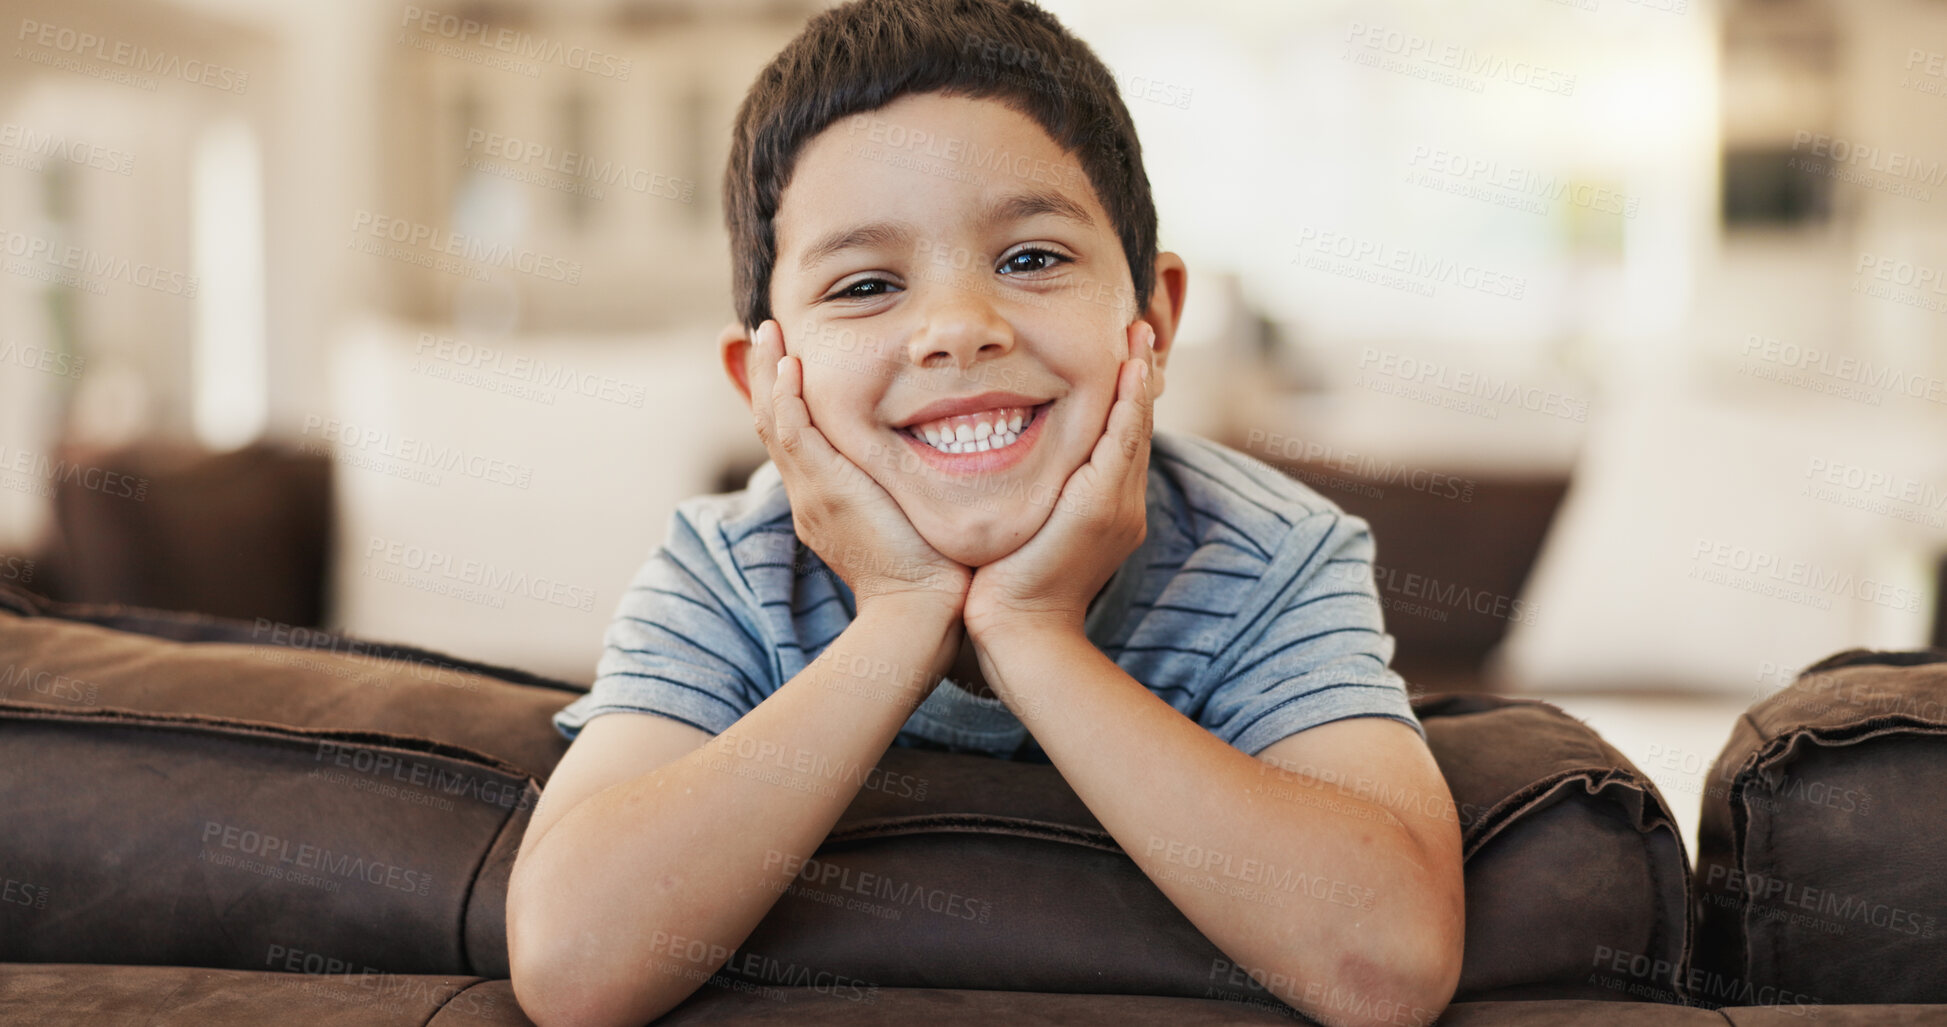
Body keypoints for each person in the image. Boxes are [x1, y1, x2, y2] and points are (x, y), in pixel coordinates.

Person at [507, 2, 1464, 1024]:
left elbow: (1387, 964)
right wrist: (903, 612)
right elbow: (574, 964)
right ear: (765, 380)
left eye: (1031, 259)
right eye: (868, 283)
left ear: (1154, 317)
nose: (959, 329)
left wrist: (1031, 629)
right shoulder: (729, 569)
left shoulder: (1271, 552)